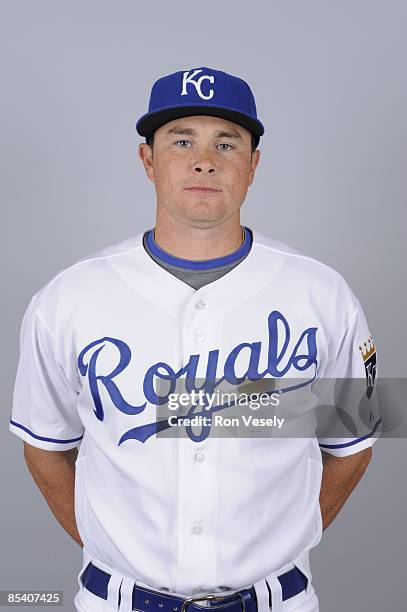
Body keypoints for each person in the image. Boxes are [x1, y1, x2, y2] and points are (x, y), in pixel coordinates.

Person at [10, 66, 381, 612]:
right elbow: (43, 448)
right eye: (181, 140)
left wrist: (291, 536)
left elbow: (353, 444)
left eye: (226, 143)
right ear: (147, 160)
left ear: (253, 165)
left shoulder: (324, 293)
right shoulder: (67, 298)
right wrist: (111, 547)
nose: (204, 159)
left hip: (278, 600)